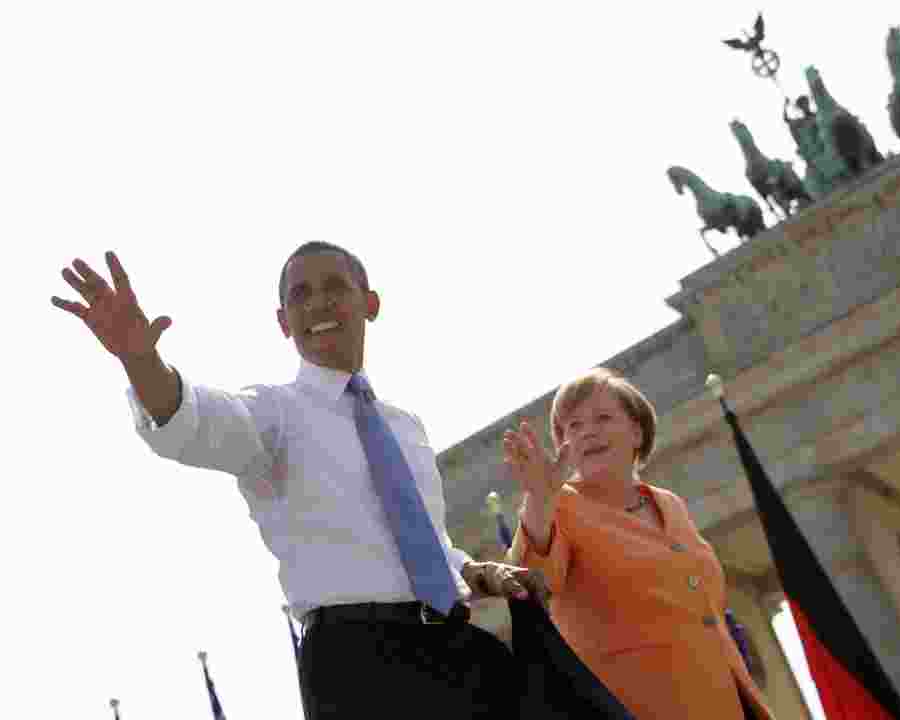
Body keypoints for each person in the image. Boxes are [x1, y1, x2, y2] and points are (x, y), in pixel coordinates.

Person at [52, 244, 546, 720]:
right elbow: (193, 421)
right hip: (359, 666)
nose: (318, 302)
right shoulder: (273, 415)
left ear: (370, 303)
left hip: (456, 645)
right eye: (300, 294)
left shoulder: (406, 426)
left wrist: (476, 570)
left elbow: (427, 546)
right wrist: (140, 360)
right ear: (283, 322)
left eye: (335, 286)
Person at [503, 367, 775, 720]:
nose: (588, 432)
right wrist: (539, 499)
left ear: (636, 431)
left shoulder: (669, 504)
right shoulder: (559, 506)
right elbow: (530, 583)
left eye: (602, 417)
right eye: (573, 426)